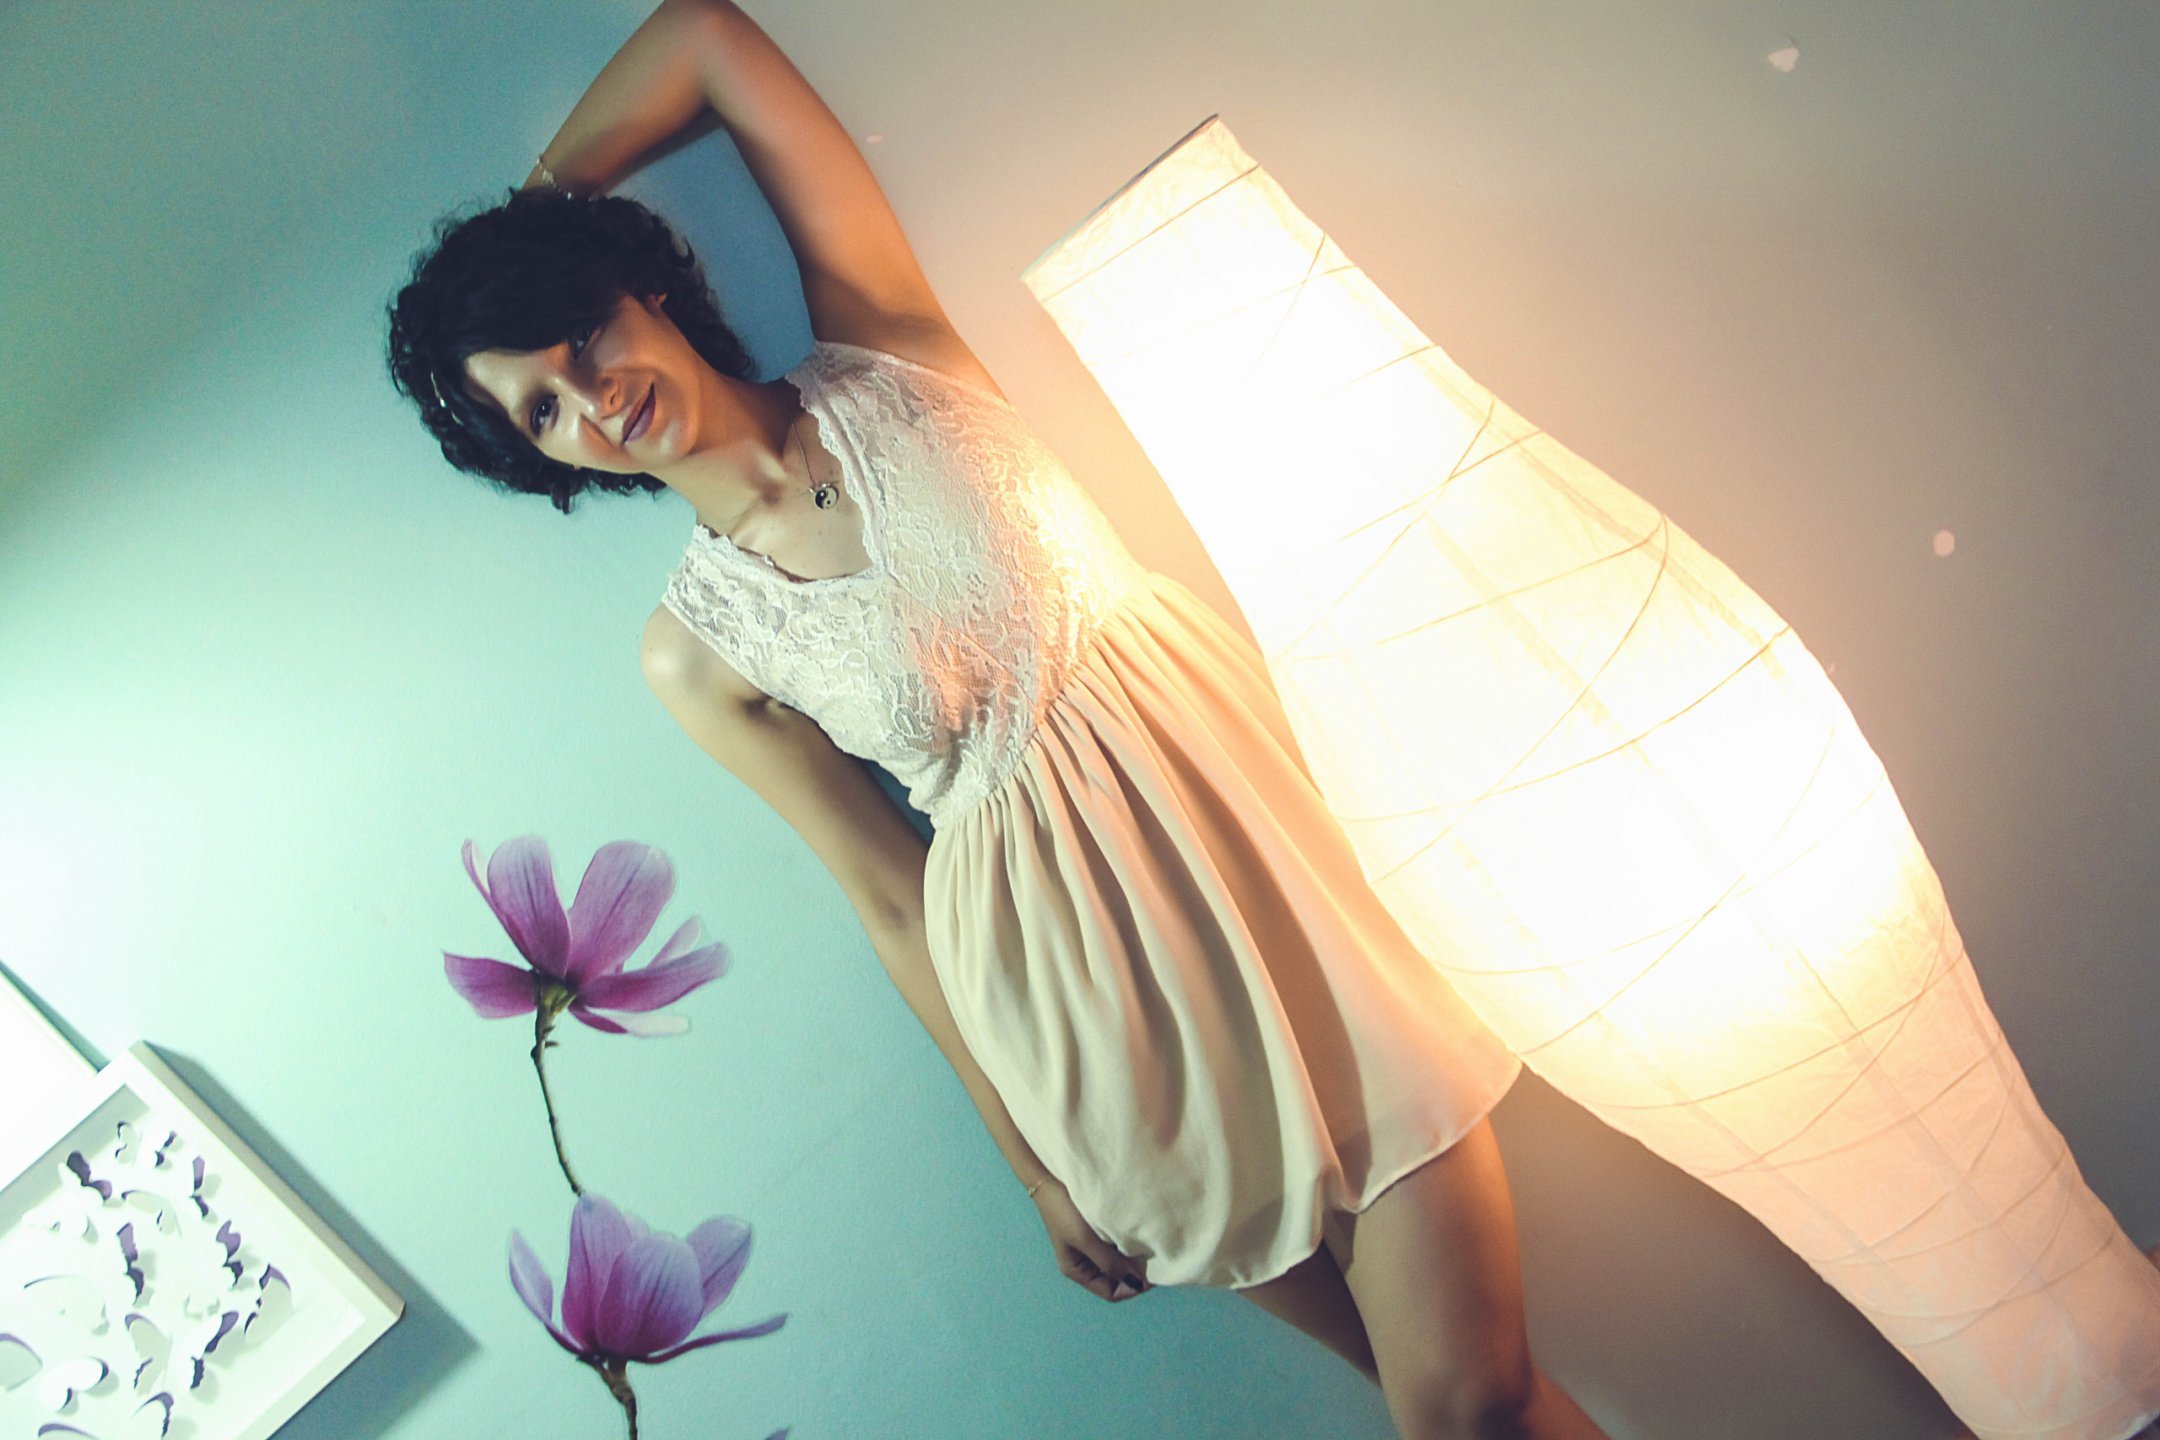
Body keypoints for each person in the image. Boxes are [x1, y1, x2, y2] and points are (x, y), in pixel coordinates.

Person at [386, 4, 1611, 1437]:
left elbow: (707, 40)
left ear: (635, 289)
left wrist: (528, 238)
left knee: (1469, 1403)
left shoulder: (888, 343)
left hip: (1278, 873)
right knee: (1487, 1413)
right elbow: (891, 899)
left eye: (581, 338)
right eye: (541, 413)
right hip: (1087, 1014)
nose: (593, 402)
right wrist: (1031, 1166)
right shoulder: (695, 655)